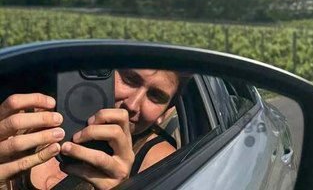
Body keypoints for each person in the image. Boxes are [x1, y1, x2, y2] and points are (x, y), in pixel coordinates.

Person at [0, 69, 190, 190]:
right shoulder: (26, 118)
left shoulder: (160, 163)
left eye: (156, 96)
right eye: (130, 79)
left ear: (165, 112)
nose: (132, 105)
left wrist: (121, 186)